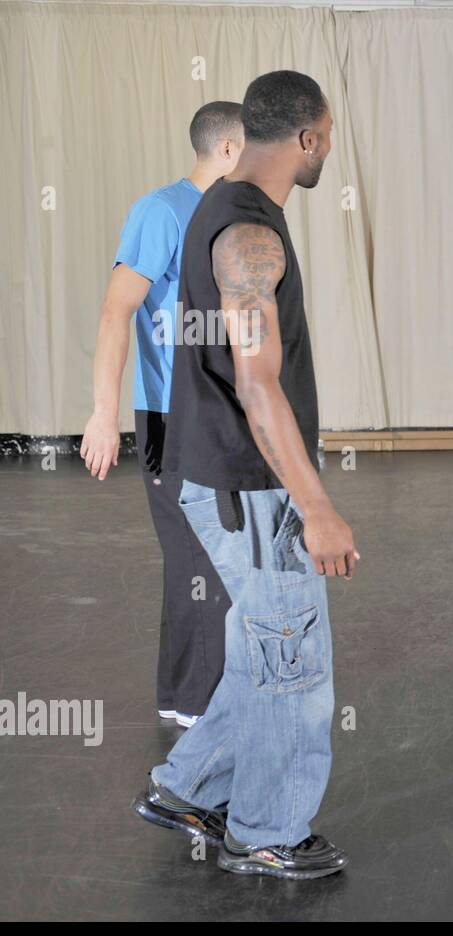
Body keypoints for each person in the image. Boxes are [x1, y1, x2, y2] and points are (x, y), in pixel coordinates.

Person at [131, 71, 357, 879]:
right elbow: (257, 383)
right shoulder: (247, 234)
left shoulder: (216, 209)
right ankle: (266, 830)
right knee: (295, 662)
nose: (327, 148)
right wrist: (318, 503)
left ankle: (188, 787)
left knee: (263, 648)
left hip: (225, 479)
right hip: (250, 489)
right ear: (305, 139)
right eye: (325, 136)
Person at [80, 102, 244, 727]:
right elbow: (115, 311)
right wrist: (103, 414)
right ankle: (202, 711)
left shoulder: (226, 217)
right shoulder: (161, 210)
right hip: (169, 418)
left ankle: (182, 700)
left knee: (198, 557)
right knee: (199, 557)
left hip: (213, 413)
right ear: (227, 150)